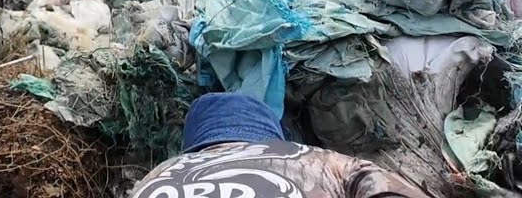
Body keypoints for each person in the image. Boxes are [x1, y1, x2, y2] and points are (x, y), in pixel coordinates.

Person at [129, 93, 432, 198]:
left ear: (193, 147)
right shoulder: (316, 160)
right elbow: (385, 188)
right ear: (273, 140)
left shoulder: (155, 178)